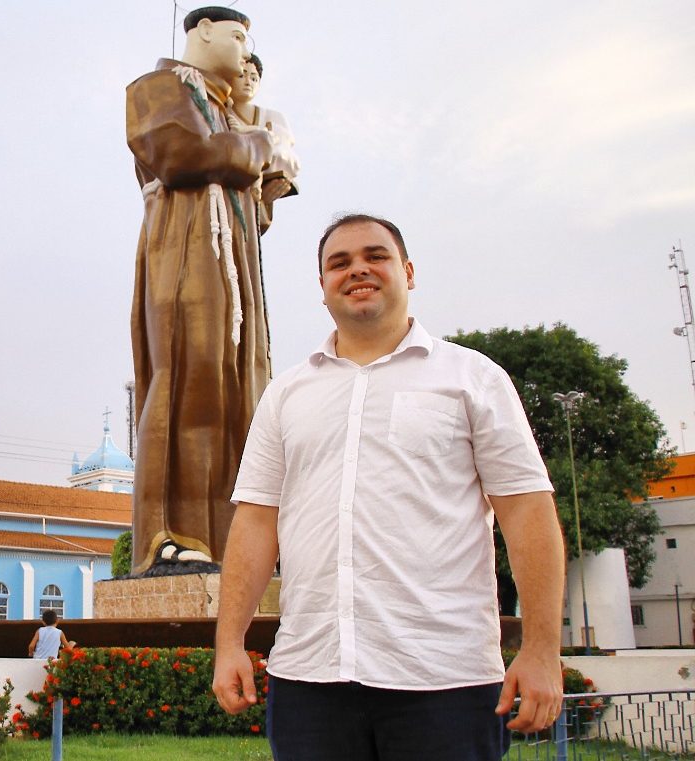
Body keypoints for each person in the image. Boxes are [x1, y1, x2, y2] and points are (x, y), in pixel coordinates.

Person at [212, 214, 566, 760]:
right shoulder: (286, 394)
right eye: (339, 262)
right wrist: (229, 642)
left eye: (374, 256)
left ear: (407, 270)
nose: (357, 269)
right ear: (323, 285)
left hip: (444, 680)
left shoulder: (473, 379)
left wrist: (542, 650)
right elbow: (257, 521)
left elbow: (527, 514)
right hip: (311, 679)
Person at [126, 6, 276, 573]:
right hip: (183, 245)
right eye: (237, 36)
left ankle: (234, 539)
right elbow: (182, 156)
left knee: (238, 388)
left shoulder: (226, 109)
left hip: (234, 261)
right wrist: (253, 147)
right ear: (203, 31)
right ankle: (168, 534)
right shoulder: (157, 87)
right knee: (185, 378)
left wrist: (255, 165)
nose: (244, 49)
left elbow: (258, 207)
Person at [228, 53, 301, 235]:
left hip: (255, 191)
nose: (248, 82)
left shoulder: (273, 117)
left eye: (254, 78)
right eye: (241, 75)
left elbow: (285, 156)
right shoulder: (220, 114)